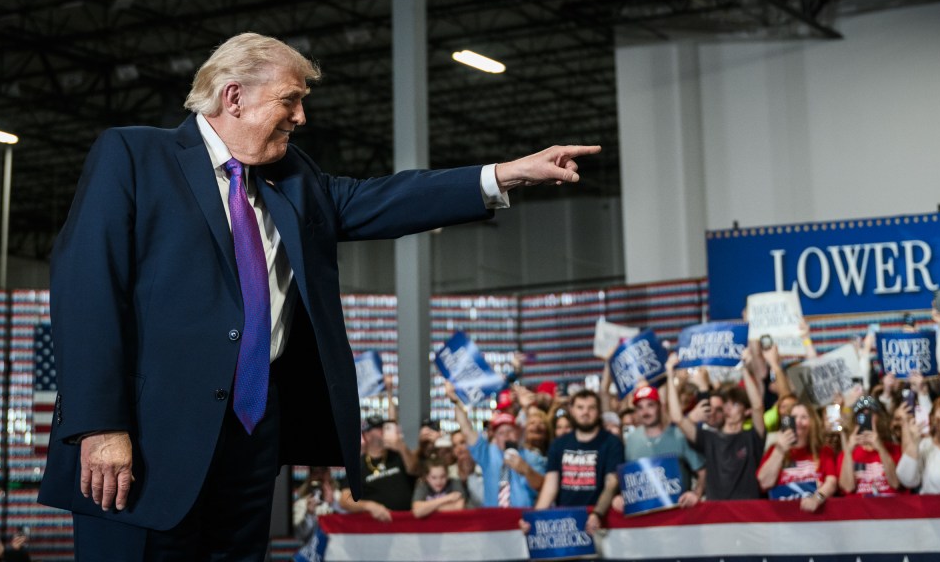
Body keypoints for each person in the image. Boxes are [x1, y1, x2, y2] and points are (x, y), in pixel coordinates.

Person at [38, 32, 600, 560]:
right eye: (290, 99)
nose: (301, 116)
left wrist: (504, 174)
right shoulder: (135, 156)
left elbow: (384, 198)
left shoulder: (293, 176)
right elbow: (85, 292)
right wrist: (98, 425)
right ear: (234, 97)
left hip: (251, 445)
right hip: (139, 447)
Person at [666, 351, 766, 501]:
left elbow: (758, 406)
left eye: (735, 404)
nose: (728, 408)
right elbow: (677, 418)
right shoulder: (708, 438)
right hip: (717, 513)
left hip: (748, 511)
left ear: (747, 411)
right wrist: (669, 373)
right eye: (726, 404)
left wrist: (744, 368)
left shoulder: (753, 437)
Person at [534, 390, 624, 535]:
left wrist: (597, 513)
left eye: (591, 408)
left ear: (598, 411)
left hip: (600, 519)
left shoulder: (612, 443)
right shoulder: (559, 444)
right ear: (572, 411)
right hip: (565, 520)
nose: (585, 412)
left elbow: (611, 483)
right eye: (580, 407)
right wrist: (535, 518)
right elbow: (550, 486)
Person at [446, 383, 545, 507]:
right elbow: (466, 430)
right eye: (501, 433)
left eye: (510, 431)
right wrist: (455, 401)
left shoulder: (531, 457)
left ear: (517, 432)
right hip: (494, 520)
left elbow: (543, 486)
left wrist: (526, 470)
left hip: (523, 519)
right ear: (495, 437)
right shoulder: (487, 454)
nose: (506, 436)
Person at [620, 385, 704, 506]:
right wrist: (621, 497)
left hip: (679, 512)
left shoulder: (679, 435)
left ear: (660, 407)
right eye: (640, 407)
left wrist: (696, 494)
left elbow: (703, 471)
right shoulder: (631, 440)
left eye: (650, 405)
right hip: (644, 515)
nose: (645, 412)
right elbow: (628, 479)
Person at [757, 401, 838, 511]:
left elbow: (831, 482)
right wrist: (780, 450)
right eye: (794, 417)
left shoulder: (824, 451)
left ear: (812, 422)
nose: (798, 422)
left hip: (815, 515)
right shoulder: (774, 449)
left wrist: (817, 498)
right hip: (782, 517)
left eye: (804, 417)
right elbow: (764, 483)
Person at [341, 417, 418, 517]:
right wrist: (369, 506)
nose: (383, 430)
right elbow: (344, 500)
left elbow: (414, 470)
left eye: (384, 427)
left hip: (407, 520)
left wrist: (401, 446)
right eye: (378, 428)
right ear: (367, 435)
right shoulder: (359, 465)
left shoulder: (399, 454)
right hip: (378, 526)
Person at [837, 396, 902, 497]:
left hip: (888, 508)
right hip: (860, 510)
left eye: (870, 413)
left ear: (879, 418)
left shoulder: (894, 449)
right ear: (855, 420)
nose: (866, 416)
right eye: (861, 414)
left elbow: (895, 483)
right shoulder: (846, 454)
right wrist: (849, 452)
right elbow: (847, 487)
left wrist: (881, 448)